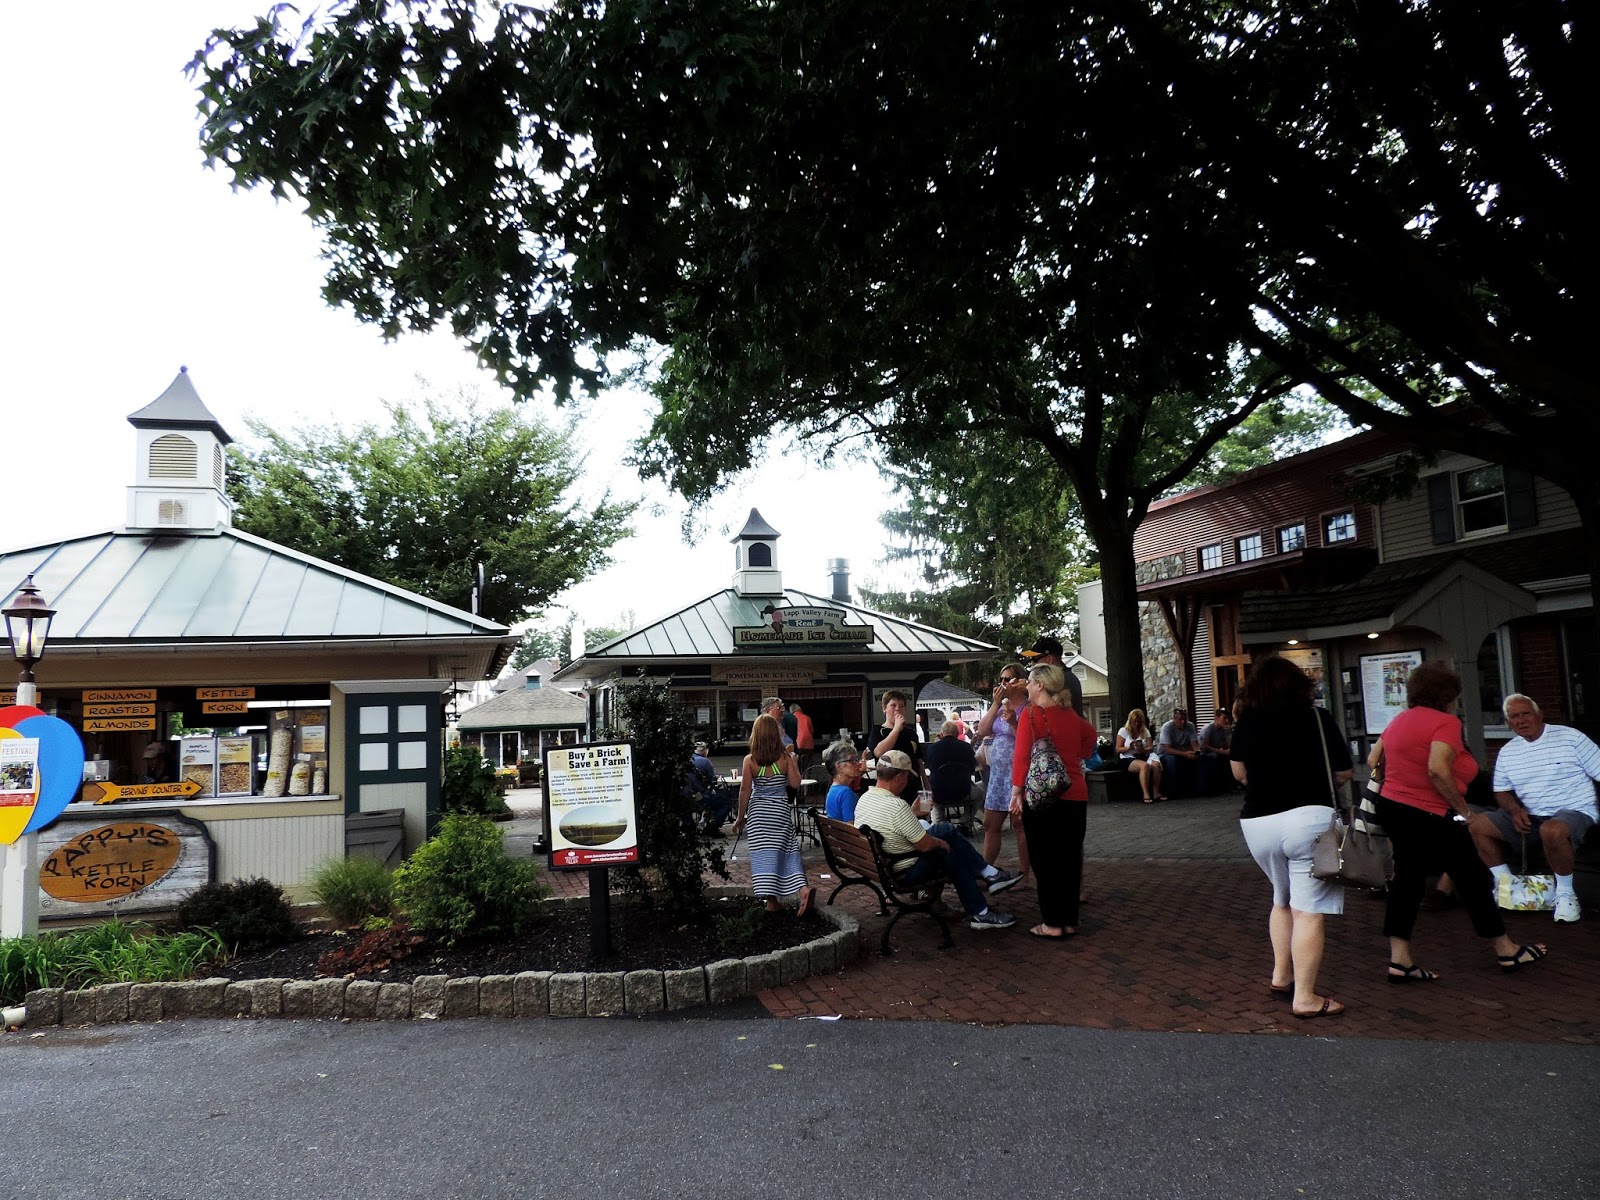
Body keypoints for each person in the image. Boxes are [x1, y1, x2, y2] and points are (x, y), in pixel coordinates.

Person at [1368, 661, 1547, 978]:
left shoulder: (1399, 720)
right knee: (1473, 877)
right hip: (1431, 812)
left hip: (1395, 806)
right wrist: (1464, 810)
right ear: (1448, 695)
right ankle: (1506, 950)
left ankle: (1400, 959)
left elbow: (1373, 759)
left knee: (1407, 882)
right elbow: (1438, 769)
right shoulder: (1445, 722)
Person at [1229, 656, 1353, 1019]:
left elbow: (1238, 771)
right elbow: (1344, 771)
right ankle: (1306, 998)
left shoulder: (1247, 719)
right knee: (1309, 910)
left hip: (1257, 822)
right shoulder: (1317, 717)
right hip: (1309, 819)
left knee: (1281, 899)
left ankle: (1281, 976)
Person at [1472, 693, 1600, 924]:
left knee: (1551, 830)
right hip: (1530, 815)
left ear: (1539, 714)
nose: (1521, 720)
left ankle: (1566, 895)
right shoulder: (1508, 751)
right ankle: (1507, 889)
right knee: (1478, 824)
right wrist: (1513, 809)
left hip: (1575, 810)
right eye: (1514, 717)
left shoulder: (1570, 738)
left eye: (1525, 713)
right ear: (1508, 723)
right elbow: (1501, 791)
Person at [855, 750, 1019, 930]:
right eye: (908, 777)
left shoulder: (866, 798)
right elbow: (924, 845)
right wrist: (941, 843)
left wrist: (912, 814)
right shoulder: (896, 806)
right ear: (899, 776)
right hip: (906, 870)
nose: (908, 781)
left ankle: (984, 895)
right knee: (949, 847)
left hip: (886, 865)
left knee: (946, 840)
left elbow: (892, 826)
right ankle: (985, 891)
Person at [1009, 664, 1098, 939]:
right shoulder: (1072, 715)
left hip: (1043, 796)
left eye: (1030, 681)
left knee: (1045, 860)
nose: (1027, 686)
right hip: (1074, 794)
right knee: (1069, 859)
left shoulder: (1031, 715)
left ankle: (1052, 923)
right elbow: (1090, 740)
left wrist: (1016, 792)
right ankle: (1069, 921)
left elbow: (1023, 756)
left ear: (1040, 686)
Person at [731, 714, 814, 916]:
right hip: (779, 811)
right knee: (788, 851)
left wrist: (740, 817)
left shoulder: (750, 760)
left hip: (759, 812)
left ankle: (771, 901)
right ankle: (803, 890)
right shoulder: (784, 758)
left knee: (764, 856)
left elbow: (745, 790)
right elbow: (795, 784)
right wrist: (792, 762)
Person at [976, 665, 1031, 881]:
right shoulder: (999, 708)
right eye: (1001, 679)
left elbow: (1030, 741)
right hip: (998, 775)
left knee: (1019, 825)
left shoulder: (1027, 708)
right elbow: (982, 731)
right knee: (991, 824)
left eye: (1007, 679)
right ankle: (986, 872)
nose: (1003, 684)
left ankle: (1025, 875)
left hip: (1018, 773)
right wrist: (996, 703)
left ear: (1020, 681)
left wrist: (1014, 722)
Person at [871, 689, 925, 801]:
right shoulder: (878, 731)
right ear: (884, 708)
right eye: (893, 705)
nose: (897, 709)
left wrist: (926, 786)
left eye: (901, 706)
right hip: (890, 791)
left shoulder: (911, 733)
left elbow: (918, 760)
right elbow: (878, 752)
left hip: (913, 787)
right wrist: (896, 729)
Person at [925, 719, 977, 825]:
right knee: (981, 793)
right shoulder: (966, 747)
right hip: (963, 792)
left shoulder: (932, 748)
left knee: (932, 794)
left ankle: (938, 822)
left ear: (942, 733)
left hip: (939, 793)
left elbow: (930, 768)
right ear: (957, 733)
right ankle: (965, 821)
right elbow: (972, 769)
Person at [1020, 635, 1084, 715]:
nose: (1032, 663)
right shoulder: (1066, 676)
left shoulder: (1063, 679)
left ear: (1049, 659)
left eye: (1035, 659)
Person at [1115, 708, 1164, 803]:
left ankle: (1156, 792)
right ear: (1130, 721)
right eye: (1135, 721)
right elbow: (1118, 749)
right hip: (1128, 757)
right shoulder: (1123, 731)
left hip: (1143, 755)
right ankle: (1146, 794)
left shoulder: (1145, 731)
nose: (1137, 724)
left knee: (1156, 765)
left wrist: (1142, 749)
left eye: (1139, 722)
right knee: (1144, 766)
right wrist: (1129, 748)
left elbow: (1150, 747)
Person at [685, 741, 729, 831]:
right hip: (701, 797)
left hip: (687, 797)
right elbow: (712, 780)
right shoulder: (705, 762)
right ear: (705, 751)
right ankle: (713, 827)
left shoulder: (686, 761)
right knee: (725, 804)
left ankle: (691, 826)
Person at [1157, 707, 1201, 798]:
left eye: (1184, 719)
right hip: (1167, 754)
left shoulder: (1190, 726)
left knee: (1202, 759)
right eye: (1180, 719)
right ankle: (1171, 791)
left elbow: (1195, 744)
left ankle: (1199, 789)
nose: (1183, 722)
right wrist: (1184, 754)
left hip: (1185, 752)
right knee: (1172, 760)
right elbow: (1168, 748)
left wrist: (1196, 752)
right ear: (1174, 719)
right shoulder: (1167, 727)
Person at [822, 740, 865, 821]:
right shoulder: (846, 793)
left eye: (856, 759)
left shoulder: (833, 789)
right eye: (851, 760)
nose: (858, 764)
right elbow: (851, 827)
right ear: (838, 767)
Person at [1197, 706, 1235, 794]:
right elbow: (1204, 747)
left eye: (1228, 718)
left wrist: (1230, 733)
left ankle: (1231, 785)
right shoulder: (1208, 728)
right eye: (1224, 718)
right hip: (1205, 753)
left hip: (1218, 751)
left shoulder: (1224, 729)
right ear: (1217, 718)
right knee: (1214, 757)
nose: (1226, 721)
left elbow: (1230, 745)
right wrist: (1223, 752)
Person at [790, 702, 816, 771]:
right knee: (808, 764)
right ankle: (808, 775)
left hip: (798, 744)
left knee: (797, 764)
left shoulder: (792, 718)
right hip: (809, 744)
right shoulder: (807, 718)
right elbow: (811, 730)